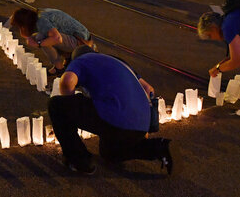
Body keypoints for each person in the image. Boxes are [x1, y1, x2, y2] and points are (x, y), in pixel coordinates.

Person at [48, 47, 172, 175]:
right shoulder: (119, 62)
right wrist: (145, 129)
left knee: (56, 105)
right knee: (109, 153)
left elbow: (67, 81)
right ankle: (159, 147)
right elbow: (148, 89)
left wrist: (69, 108)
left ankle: (79, 160)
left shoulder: (81, 60)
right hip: (139, 125)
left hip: (115, 116)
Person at [10, 8, 94, 76]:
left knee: (42, 38)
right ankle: (68, 58)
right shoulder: (39, 13)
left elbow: (57, 38)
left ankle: (59, 68)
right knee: (42, 37)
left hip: (81, 43)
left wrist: (38, 44)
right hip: (81, 37)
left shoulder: (41, 21)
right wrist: (30, 37)